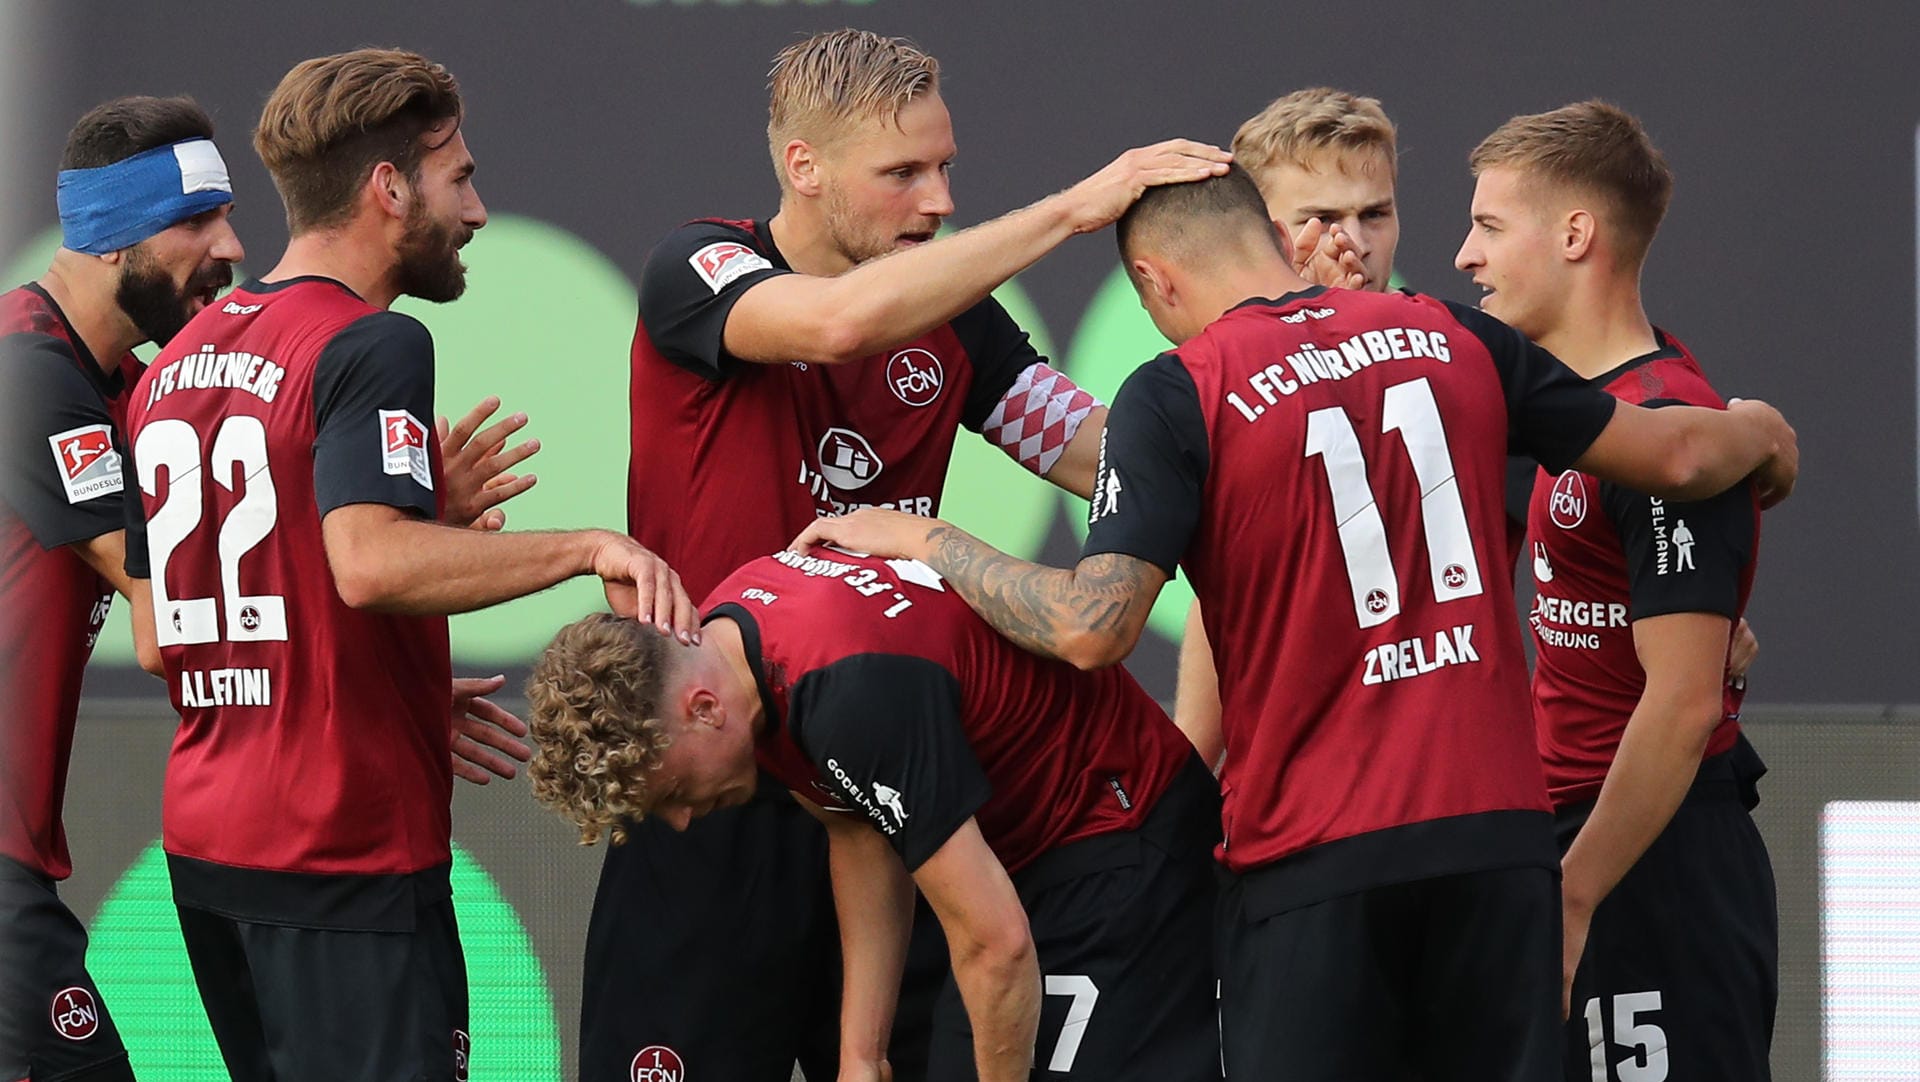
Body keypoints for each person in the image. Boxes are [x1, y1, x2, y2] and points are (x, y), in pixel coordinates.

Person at [792, 164, 1797, 1079]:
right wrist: (1758, 433)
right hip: (1497, 848)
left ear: (1156, 284)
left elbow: (1089, 626)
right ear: (1272, 242)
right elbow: (1676, 458)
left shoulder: (1177, 392)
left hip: (1314, 857)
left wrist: (926, 543)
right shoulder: (1454, 335)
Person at [596, 28, 1230, 1082]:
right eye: (901, 173)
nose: (937, 200)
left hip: (887, 779)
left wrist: (1286, 382)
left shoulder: (955, 321)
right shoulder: (701, 268)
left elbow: (1105, 454)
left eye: (944, 168)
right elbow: (840, 325)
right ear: (803, 167)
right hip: (710, 782)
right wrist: (1076, 210)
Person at [119, 50, 693, 1082]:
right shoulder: (371, 341)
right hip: (339, 855)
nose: (476, 210)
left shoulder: (174, 366)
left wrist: (380, 683)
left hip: (211, 849)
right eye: (460, 177)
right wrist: (588, 545)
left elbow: (170, 637)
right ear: (390, 187)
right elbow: (371, 565)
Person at [527, 548, 1221, 1082]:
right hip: (1023, 856)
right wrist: (862, 1057)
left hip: (1120, 836)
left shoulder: (845, 695)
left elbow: (998, 945)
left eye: (673, 793)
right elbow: (855, 825)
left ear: (702, 710)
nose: (681, 821)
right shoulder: (737, 629)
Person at [1454, 100, 1777, 1080]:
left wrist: (1576, 894)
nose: (1465, 254)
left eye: (1489, 225)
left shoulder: (1671, 426)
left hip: (1653, 860)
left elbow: (1680, 705)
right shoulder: (1592, 419)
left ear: (1577, 234)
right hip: (1576, 838)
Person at [0, 92, 240, 1082]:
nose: (229, 245)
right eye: (194, 222)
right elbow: (166, 599)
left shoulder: (121, 384)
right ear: (110, 242)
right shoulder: (28, 374)